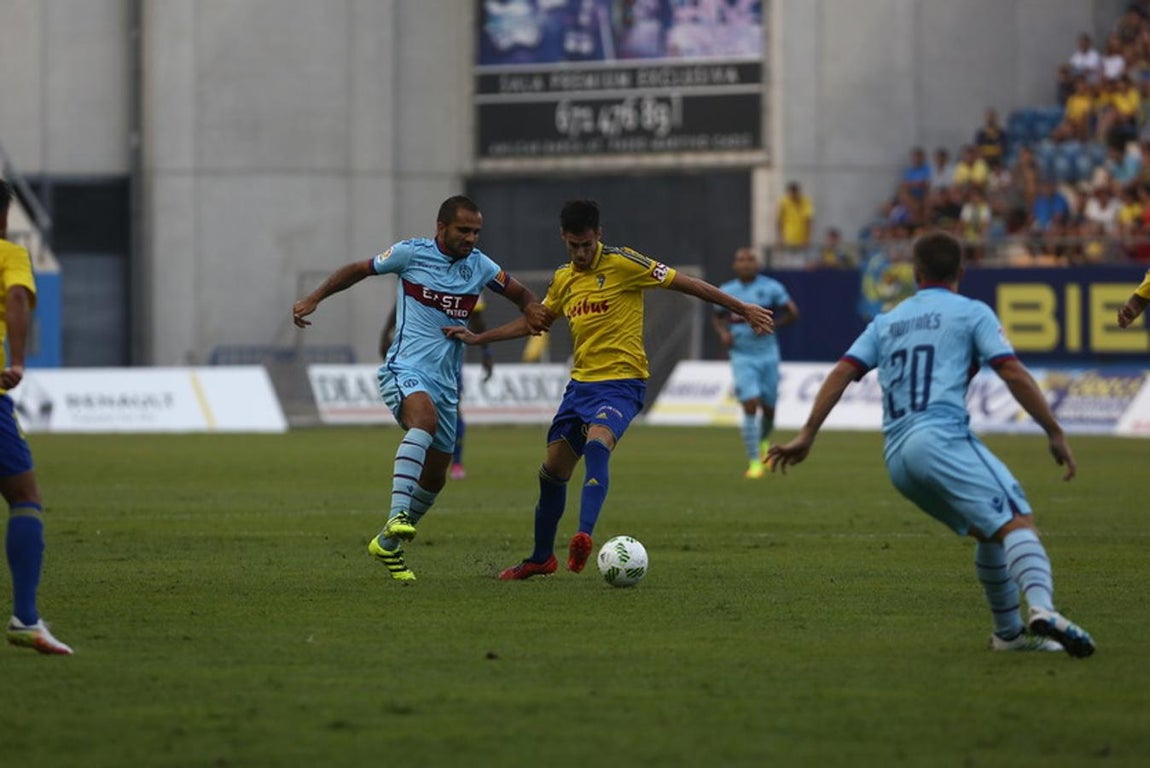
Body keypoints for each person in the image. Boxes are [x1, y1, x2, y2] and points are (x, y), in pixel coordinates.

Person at [767, 231, 1096, 658]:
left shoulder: (887, 321)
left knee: (989, 530)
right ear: (962, 271)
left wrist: (808, 433)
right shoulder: (971, 312)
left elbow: (842, 372)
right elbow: (1012, 372)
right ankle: (1043, 608)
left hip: (897, 458)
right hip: (940, 436)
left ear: (915, 272)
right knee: (1017, 520)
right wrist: (1054, 430)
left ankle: (1009, 635)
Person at [445, 200, 774, 580]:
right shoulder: (564, 279)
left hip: (622, 383)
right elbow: (536, 322)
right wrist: (479, 337)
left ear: (598, 235)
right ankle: (540, 558)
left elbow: (690, 284)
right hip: (580, 387)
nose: (581, 254)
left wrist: (742, 308)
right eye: (574, 246)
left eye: (586, 245)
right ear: (564, 238)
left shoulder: (625, 263)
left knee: (598, 444)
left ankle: (583, 535)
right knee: (551, 473)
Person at [292, 195, 546, 581]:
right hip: (405, 368)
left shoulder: (481, 267)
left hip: (446, 383)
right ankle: (397, 515)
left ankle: (387, 544)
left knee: (435, 476)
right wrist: (314, 298)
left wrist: (531, 310)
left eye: (476, 232)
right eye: (463, 230)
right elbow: (359, 269)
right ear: (441, 227)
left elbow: (521, 295)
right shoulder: (411, 254)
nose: (471, 238)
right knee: (423, 420)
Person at [0, 180, 71, 654]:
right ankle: (25, 617)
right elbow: (17, 299)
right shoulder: (8, 254)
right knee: (25, 496)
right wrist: (19, 361)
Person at [379, 297, 494, 481]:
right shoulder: (419, 278)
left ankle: (456, 462)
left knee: (452, 409)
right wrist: (386, 332)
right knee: (420, 410)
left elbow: (477, 319)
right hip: (416, 355)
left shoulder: (471, 280)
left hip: (448, 359)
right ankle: (419, 461)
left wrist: (486, 352)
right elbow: (403, 299)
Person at [711, 247, 800, 479]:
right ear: (735, 265)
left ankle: (762, 442)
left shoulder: (771, 288)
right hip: (741, 355)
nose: (746, 263)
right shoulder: (727, 290)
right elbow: (718, 317)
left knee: (769, 409)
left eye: (750, 259)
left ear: (757, 265)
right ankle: (754, 463)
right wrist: (723, 333)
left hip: (768, 354)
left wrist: (774, 325)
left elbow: (792, 312)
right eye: (741, 260)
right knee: (750, 403)